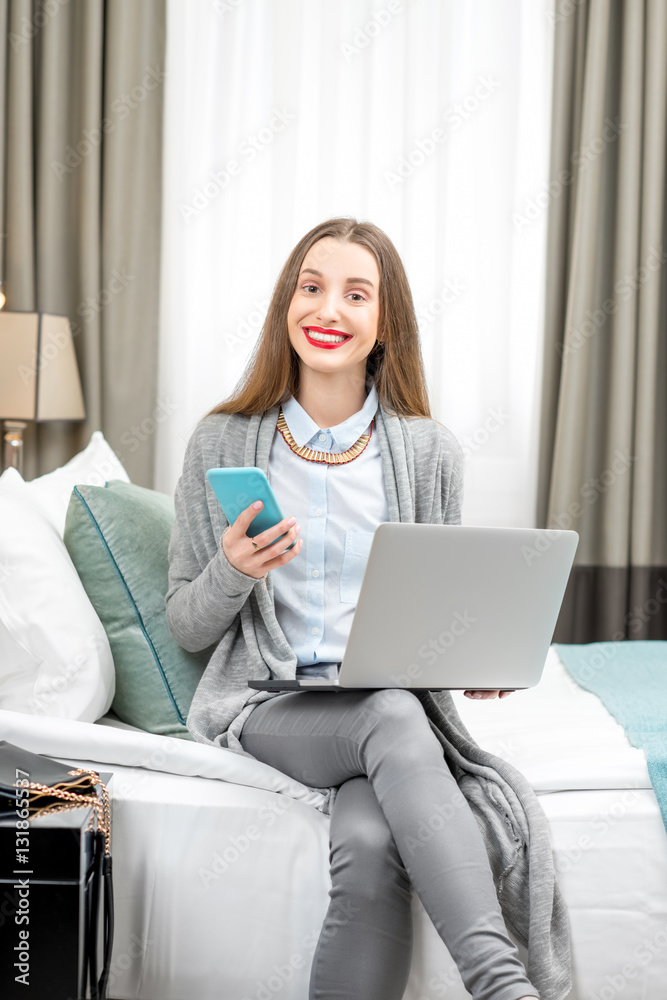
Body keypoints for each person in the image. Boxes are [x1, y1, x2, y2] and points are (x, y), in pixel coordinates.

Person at [166, 217, 540, 1000]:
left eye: (354, 293)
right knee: (395, 717)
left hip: (381, 705)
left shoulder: (428, 450)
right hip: (271, 705)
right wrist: (232, 572)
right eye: (311, 286)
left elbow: (440, 602)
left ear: (383, 323)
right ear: (286, 305)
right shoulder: (223, 441)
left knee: (370, 850)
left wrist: (472, 660)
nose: (326, 308)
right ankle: (503, 987)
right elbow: (187, 629)